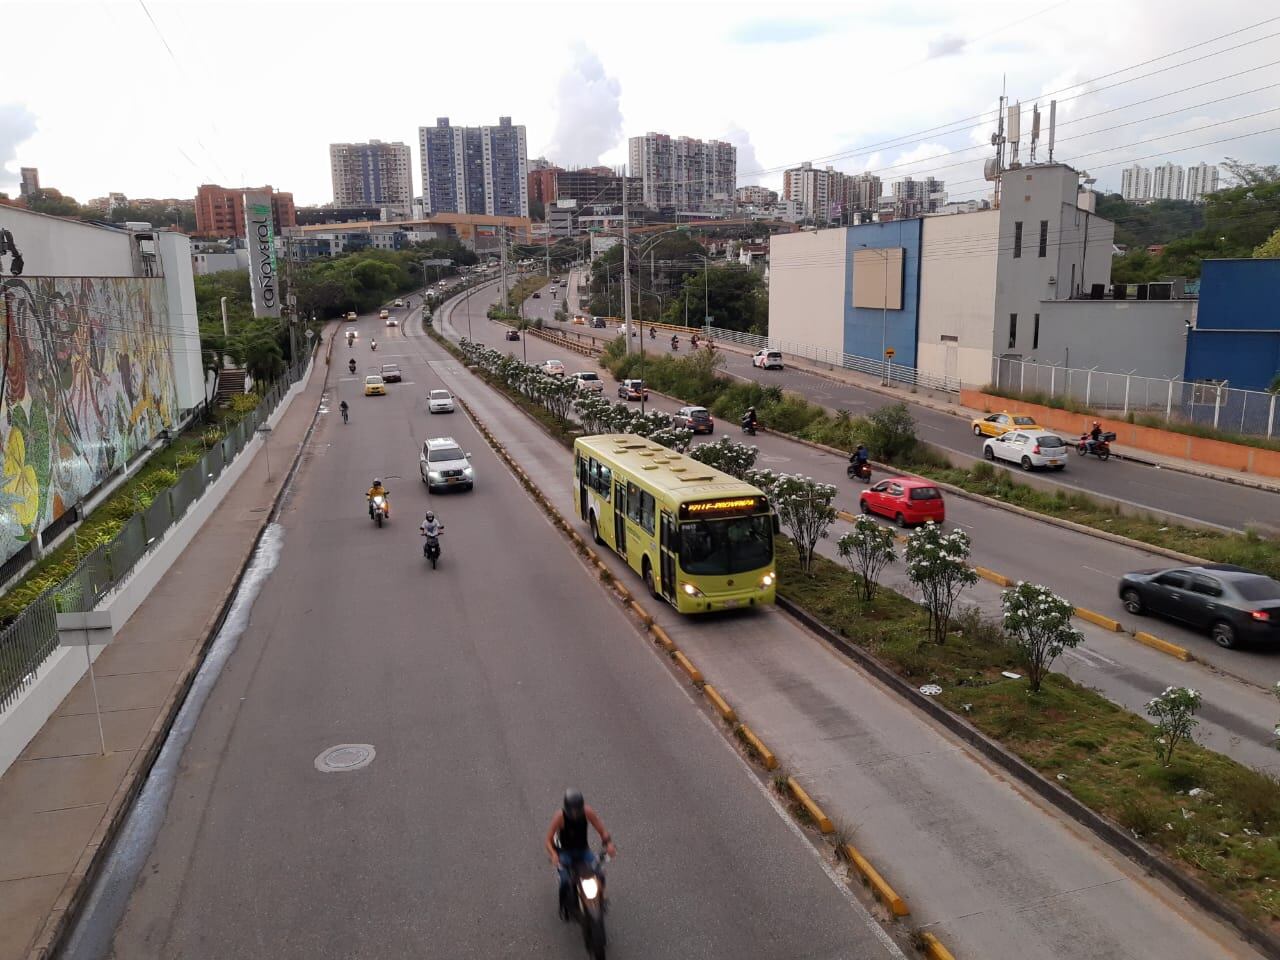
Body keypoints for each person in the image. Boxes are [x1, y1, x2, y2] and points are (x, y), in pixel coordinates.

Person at [546, 789, 617, 918]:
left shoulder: (587, 812)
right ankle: (563, 906)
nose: (574, 814)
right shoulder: (560, 817)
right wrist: (554, 854)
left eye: (577, 810)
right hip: (566, 853)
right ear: (567, 808)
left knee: (600, 874)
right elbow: (548, 840)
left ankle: (601, 898)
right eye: (572, 811)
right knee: (564, 881)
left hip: (583, 851)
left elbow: (602, 830)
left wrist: (609, 844)